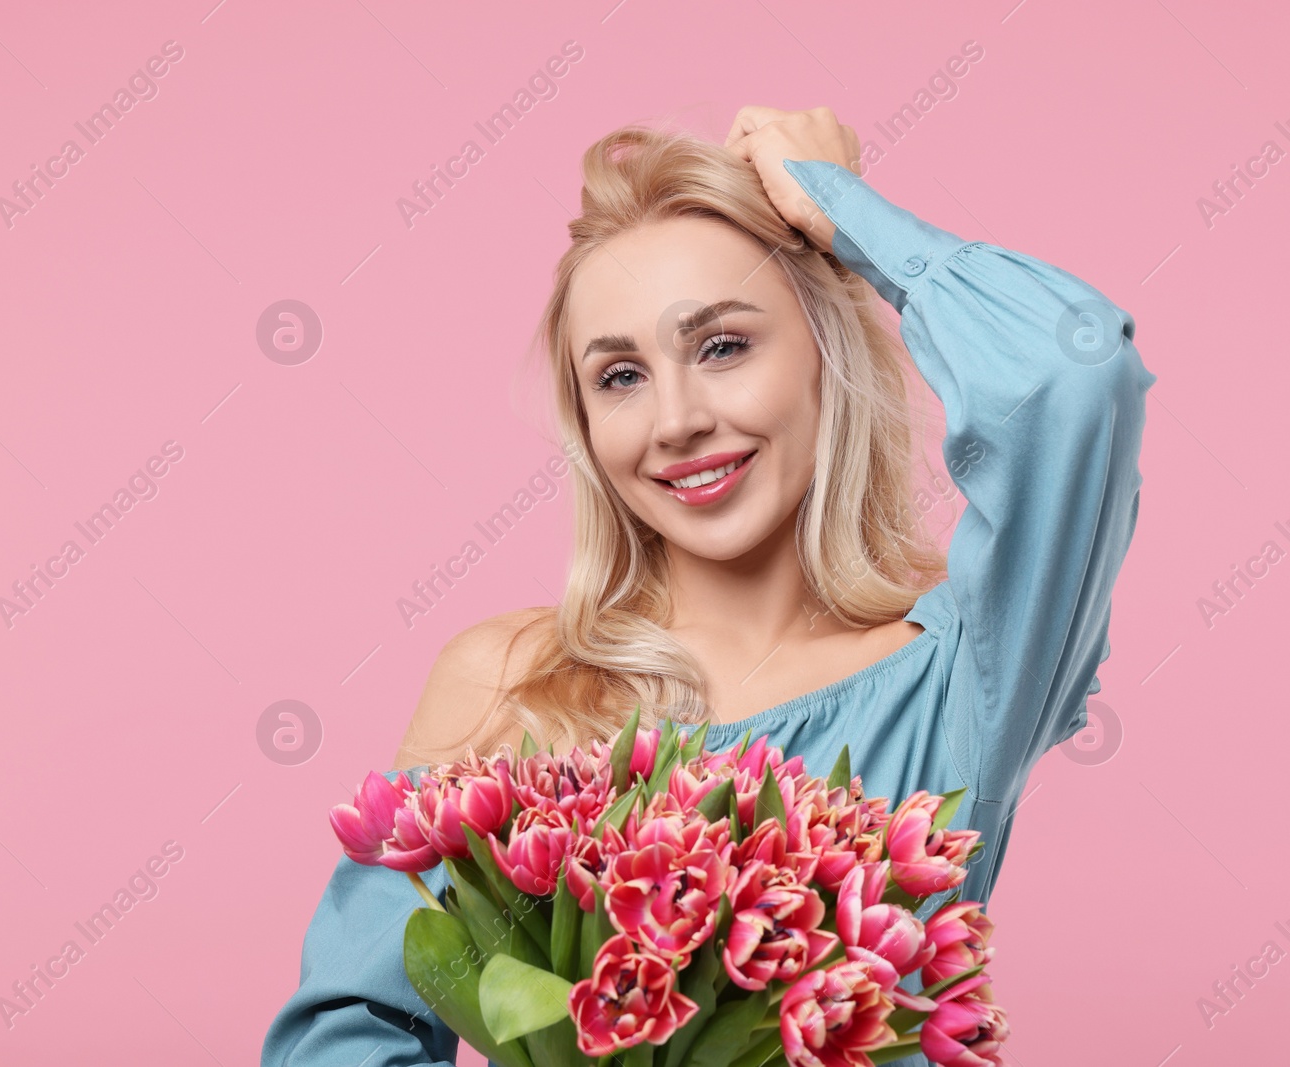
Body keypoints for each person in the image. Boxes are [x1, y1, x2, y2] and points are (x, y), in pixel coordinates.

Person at [261, 105, 1155, 1067]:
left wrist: (843, 218)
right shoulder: (508, 685)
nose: (676, 420)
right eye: (620, 377)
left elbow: (1076, 374)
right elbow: (344, 1035)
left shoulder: (967, 676)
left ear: (825, 355)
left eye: (723, 346)